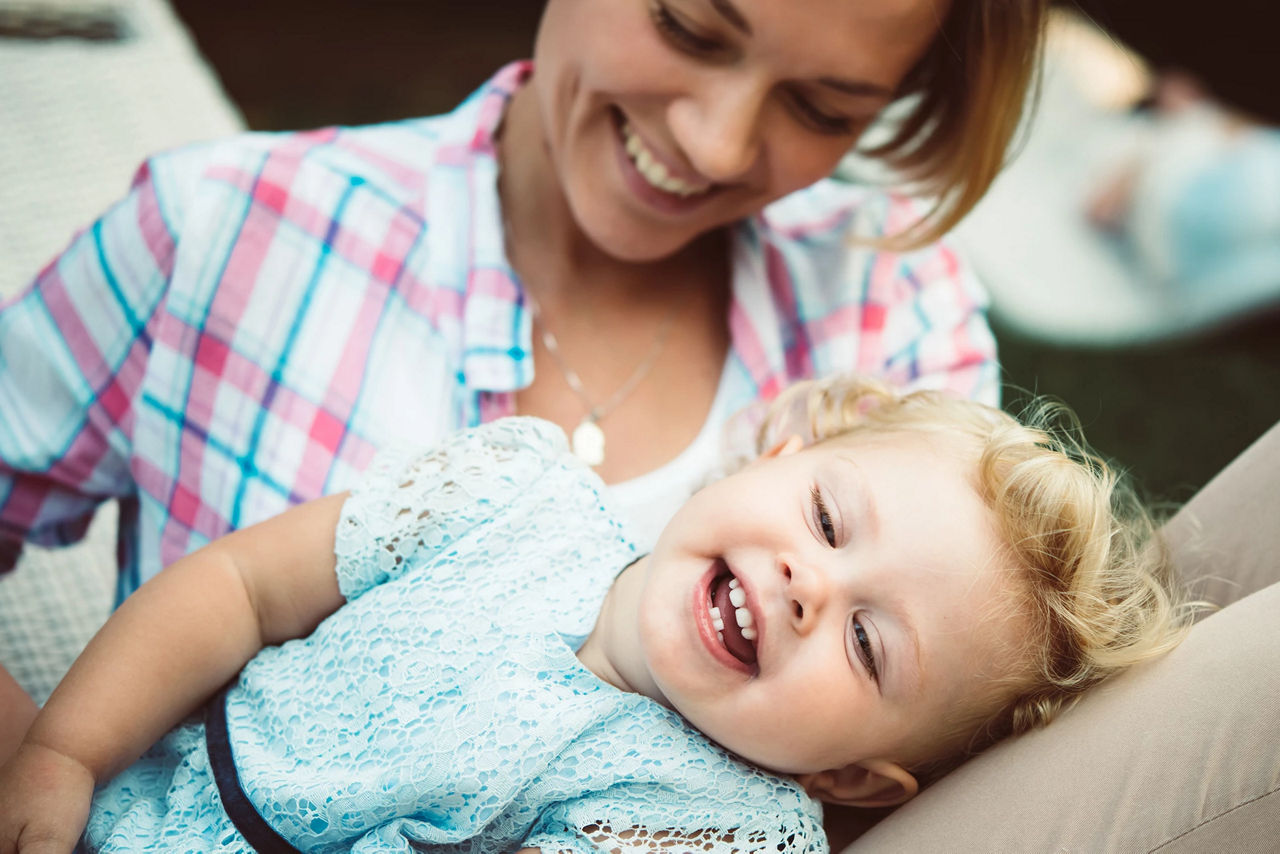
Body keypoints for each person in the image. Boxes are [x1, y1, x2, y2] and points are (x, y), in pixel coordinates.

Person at [0, 1, 1047, 758]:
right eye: (685, 26)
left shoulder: (898, 321)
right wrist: (47, 768)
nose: (714, 140)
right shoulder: (222, 230)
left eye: (821, 107)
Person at [0, 375, 1195, 852]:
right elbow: (241, 587)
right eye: (828, 519)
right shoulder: (514, 492)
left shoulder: (699, 822)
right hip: (133, 782)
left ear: (849, 778)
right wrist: (66, 751)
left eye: (865, 640)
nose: (806, 583)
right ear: (779, 450)